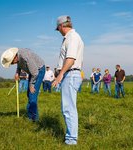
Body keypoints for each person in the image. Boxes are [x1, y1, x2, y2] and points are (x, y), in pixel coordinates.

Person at [52, 15, 84, 145]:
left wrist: (60, 75)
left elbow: (70, 59)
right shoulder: (71, 37)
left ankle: (71, 140)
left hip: (70, 74)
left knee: (68, 108)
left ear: (61, 26)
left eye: (58, 28)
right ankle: (71, 137)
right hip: (69, 74)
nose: (58, 31)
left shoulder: (72, 37)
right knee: (68, 107)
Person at [1, 48, 45, 121]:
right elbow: (19, 65)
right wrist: (17, 72)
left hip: (39, 70)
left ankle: (34, 119)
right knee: (29, 94)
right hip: (33, 72)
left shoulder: (25, 57)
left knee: (32, 94)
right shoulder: (18, 56)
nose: (12, 64)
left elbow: (35, 73)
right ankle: (30, 114)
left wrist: (31, 85)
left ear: (14, 57)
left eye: (11, 62)